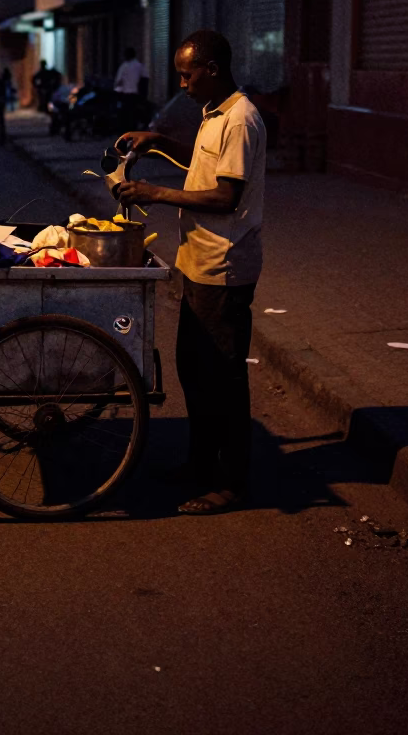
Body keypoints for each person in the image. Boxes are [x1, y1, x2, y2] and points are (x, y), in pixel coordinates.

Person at [116, 29, 266, 517]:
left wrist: (155, 195)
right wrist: (159, 143)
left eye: (187, 74)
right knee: (193, 369)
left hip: (224, 265)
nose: (182, 84)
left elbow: (226, 196)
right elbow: (201, 166)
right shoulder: (213, 114)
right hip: (196, 262)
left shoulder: (240, 120)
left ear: (213, 70)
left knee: (223, 377)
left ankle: (232, 483)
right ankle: (200, 462)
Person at [114, 46, 148, 129]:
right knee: (134, 116)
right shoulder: (139, 66)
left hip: (126, 95)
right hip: (136, 95)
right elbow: (145, 80)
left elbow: (118, 82)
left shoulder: (123, 67)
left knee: (126, 117)